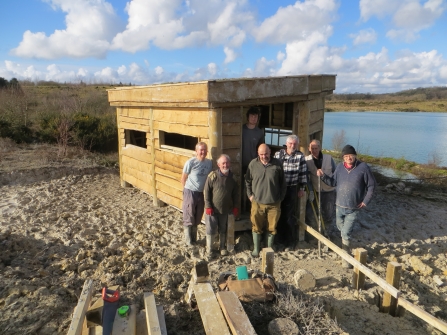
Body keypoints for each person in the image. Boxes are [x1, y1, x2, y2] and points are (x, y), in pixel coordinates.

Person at [316, 144, 376, 267]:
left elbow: (372, 186)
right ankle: (345, 244)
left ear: (355, 156)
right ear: (343, 158)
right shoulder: (339, 168)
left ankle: (345, 258)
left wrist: (365, 201)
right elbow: (332, 182)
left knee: (345, 233)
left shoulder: (363, 168)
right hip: (339, 206)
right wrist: (323, 176)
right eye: (346, 156)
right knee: (340, 227)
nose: (349, 158)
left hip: (354, 208)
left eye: (351, 156)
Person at [245, 144, 286, 257]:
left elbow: (283, 183)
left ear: (270, 152)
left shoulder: (277, 164)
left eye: (266, 154)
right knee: (256, 226)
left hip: (274, 203)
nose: (264, 156)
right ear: (258, 153)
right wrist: (250, 195)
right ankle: (256, 249)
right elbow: (247, 181)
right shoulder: (253, 164)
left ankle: (268, 249)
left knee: (272, 227)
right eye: (261, 154)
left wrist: (280, 198)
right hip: (257, 202)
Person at [273, 135, 307, 250]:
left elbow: (303, 173)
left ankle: (290, 241)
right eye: (290, 144)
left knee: (289, 216)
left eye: (295, 144)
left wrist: (302, 188)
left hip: (292, 189)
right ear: (286, 144)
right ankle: (278, 240)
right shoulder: (278, 155)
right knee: (278, 214)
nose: (292, 146)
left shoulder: (300, 156)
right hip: (278, 189)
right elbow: (273, 172)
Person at [204, 154, 239, 257]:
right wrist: (208, 206)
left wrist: (236, 207)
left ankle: (222, 247)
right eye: (223, 163)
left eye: (227, 162)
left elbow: (236, 194)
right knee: (211, 229)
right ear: (218, 164)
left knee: (223, 229)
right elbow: (206, 192)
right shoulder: (212, 176)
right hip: (212, 209)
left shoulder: (233, 178)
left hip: (225, 209)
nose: (225, 165)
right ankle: (210, 249)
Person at [181, 142, 213, 247]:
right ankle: (188, 240)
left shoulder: (209, 163)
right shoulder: (191, 162)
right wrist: (185, 191)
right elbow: (184, 177)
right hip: (190, 190)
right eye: (201, 150)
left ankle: (194, 239)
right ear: (196, 151)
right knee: (189, 215)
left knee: (198, 215)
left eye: (204, 149)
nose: (203, 152)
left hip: (200, 192)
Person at [305, 139, 336, 237]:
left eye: (316, 148)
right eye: (312, 148)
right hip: (316, 191)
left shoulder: (329, 158)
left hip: (329, 191)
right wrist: (310, 190)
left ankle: (328, 234)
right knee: (310, 212)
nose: (314, 150)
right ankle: (312, 233)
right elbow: (307, 177)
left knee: (328, 213)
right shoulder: (307, 160)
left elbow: (336, 174)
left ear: (320, 148)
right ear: (309, 149)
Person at [242, 106, 264, 212]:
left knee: (253, 187)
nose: (254, 118)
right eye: (252, 116)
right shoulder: (241, 129)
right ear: (248, 117)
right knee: (242, 187)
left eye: (256, 116)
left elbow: (261, 148)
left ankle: (251, 209)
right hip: (241, 163)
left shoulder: (259, 132)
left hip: (254, 164)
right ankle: (241, 208)